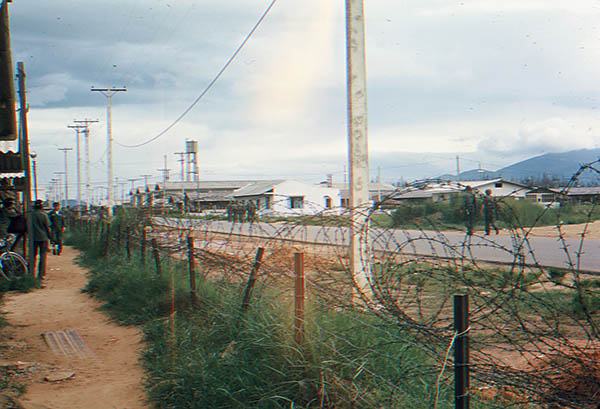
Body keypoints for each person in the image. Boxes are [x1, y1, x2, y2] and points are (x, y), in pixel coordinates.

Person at [32, 200, 51, 278]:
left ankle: (31, 272)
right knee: (42, 256)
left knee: (33, 256)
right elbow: (47, 227)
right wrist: (50, 237)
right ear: (41, 207)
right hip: (43, 237)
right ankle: (41, 274)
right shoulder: (44, 215)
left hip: (33, 238)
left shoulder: (30, 215)